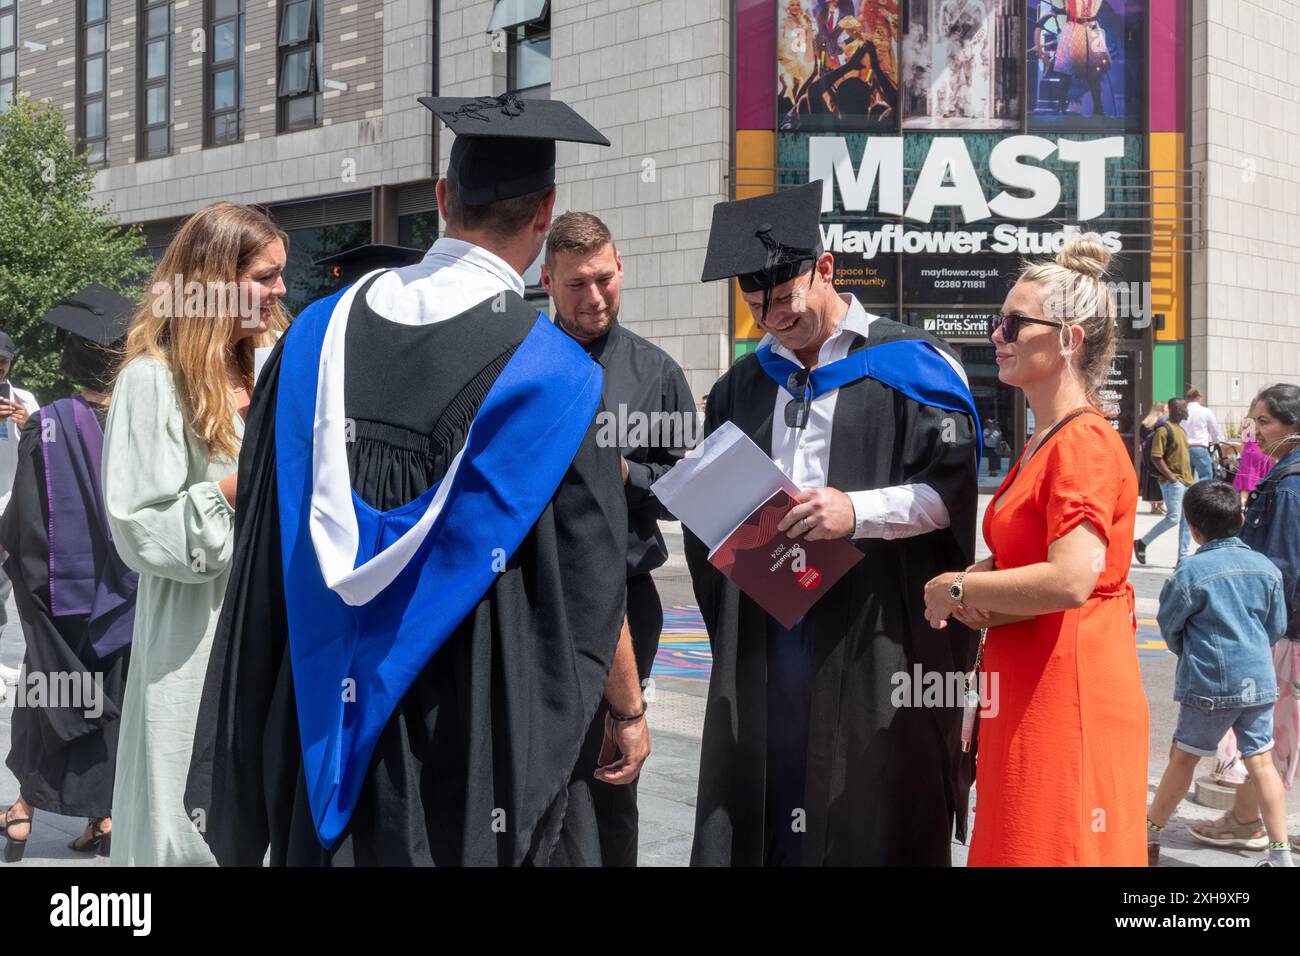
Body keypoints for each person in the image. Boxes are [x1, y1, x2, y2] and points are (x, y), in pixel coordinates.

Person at [184, 94, 648, 866]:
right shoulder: (557, 379)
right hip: (471, 765)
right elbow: (590, 587)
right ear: (546, 213)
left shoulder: (309, 344)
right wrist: (626, 709)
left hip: (320, 734)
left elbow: (262, 552)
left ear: (440, 198)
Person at [686, 181, 981, 866]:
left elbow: (950, 493)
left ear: (825, 268)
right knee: (770, 780)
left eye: (784, 301)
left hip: (877, 623)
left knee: (869, 797)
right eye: (756, 307)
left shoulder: (915, 366)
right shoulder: (742, 384)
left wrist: (858, 510)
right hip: (772, 620)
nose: (772, 320)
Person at [923, 233, 1149, 866]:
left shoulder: (1081, 443)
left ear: (1069, 339)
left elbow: (1073, 578)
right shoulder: (1050, 438)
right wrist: (985, 575)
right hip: (1035, 680)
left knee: (1052, 847)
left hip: (1065, 686)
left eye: (1014, 323)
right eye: (1000, 321)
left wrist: (956, 588)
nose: (998, 334)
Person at [102, 202, 288, 866]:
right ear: (214, 279)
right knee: (189, 834)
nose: (280, 291)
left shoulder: (274, 371)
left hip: (279, 643)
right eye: (265, 276)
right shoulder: (154, 381)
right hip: (196, 648)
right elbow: (141, 530)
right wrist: (250, 480)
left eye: (281, 276)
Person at [541, 211, 695, 866]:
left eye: (604, 278)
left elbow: (692, 485)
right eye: (576, 284)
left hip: (627, 598)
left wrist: (626, 474)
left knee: (609, 769)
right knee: (543, 767)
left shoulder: (655, 373)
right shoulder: (520, 367)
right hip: (536, 597)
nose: (595, 296)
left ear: (621, 266)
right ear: (546, 279)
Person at [0, 286, 139, 862]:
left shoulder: (48, 425)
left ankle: (21, 817)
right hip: (126, 602)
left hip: (61, 603)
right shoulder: (144, 424)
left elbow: (25, 526)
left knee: (46, 703)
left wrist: (32, 595)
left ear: (69, 361)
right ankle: (102, 819)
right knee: (107, 708)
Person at [1147, 480, 1294, 866]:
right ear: (1242, 519)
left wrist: (1194, 653)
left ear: (1193, 528)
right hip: (1259, 680)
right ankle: (1280, 856)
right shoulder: (1267, 569)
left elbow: (1171, 628)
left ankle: (1150, 836)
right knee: (1261, 761)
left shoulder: (1190, 572)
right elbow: (1275, 626)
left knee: (1184, 758)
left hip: (1209, 682)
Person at [1190, 383, 1300, 854]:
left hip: (1284, 630)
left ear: (1295, 427)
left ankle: (1247, 821)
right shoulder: (1284, 477)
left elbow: (1283, 570)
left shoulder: (1291, 486)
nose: (1255, 432)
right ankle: (1244, 817)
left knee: (1269, 729)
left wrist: (1259, 626)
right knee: (1272, 728)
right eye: (1253, 421)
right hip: (1284, 627)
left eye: (1266, 422)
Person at [0, 331, 41, 692]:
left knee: (5, 588)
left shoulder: (24, 397)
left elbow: (48, 441)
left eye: (4, 359)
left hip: (11, 504)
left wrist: (29, 422)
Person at [1134, 397, 1194, 566]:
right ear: (1178, 411)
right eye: (1185, 409)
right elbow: (1156, 456)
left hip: (1186, 482)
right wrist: (1170, 477)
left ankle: (1182, 557)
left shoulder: (1181, 430)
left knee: (1186, 521)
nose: (1187, 411)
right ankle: (1142, 542)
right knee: (1174, 518)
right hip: (1174, 483)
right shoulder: (1164, 430)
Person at [1184, 387, 1223, 481]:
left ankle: (1187, 495)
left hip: (1183, 448)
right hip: (1199, 447)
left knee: (1186, 479)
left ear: (1187, 398)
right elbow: (1214, 429)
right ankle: (1201, 495)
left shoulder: (1183, 411)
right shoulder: (1205, 411)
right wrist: (1216, 441)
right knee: (1206, 476)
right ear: (1199, 398)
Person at [1138, 402, 1168, 514]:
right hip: (1158, 454)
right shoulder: (1162, 423)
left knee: (1149, 479)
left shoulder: (1145, 422)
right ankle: (1160, 504)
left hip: (1146, 456)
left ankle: (1152, 506)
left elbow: (1141, 439)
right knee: (1159, 477)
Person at [1234, 414, 1272, 500]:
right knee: (1263, 482)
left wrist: (1240, 457)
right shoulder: (1264, 420)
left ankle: (1243, 507)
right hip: (1263, 453)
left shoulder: (1247, 421)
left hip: (1250, 453)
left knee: (1246, 485)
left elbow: (1243, 441)